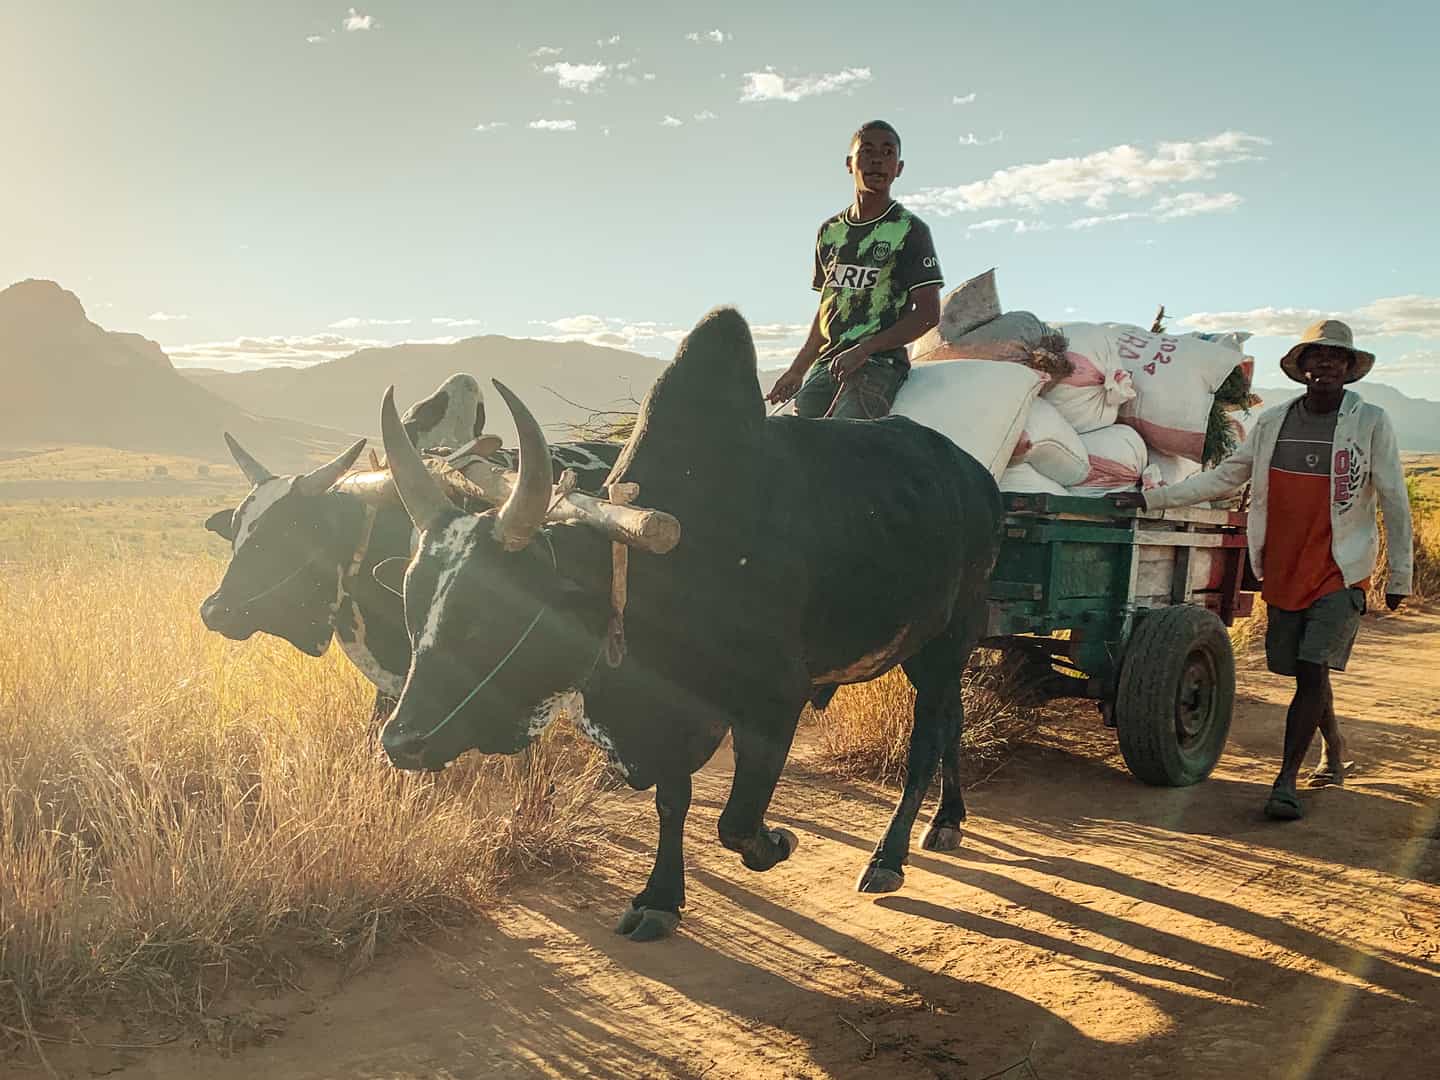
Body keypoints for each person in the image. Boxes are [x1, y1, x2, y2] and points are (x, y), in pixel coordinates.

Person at [1110, 320, 1413, 820]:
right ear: (1302, 366)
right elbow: (1225, 478)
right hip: (1283, 567)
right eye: (1317, 356)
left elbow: (1394, 498)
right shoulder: (1273, 422)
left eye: (1336, 357)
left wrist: (1399, 575)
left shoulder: (1370, 422)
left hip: (1341, 569)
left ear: (1349, 367)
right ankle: (1334, 746)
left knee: (1312, 667)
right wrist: (1153, 500)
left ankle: (1285, 780)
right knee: (1303, 668)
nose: (1326, 364)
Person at [766, 121, 943, 419]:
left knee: (843, 436)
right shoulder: (830, 232)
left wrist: (864, 350)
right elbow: (828, 309)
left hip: (879, 363)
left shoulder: (909, 230)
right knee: (792, 436)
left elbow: (928, 313)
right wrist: (797, 370)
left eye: (887, 153)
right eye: (867, 151)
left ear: (898, 168)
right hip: (829, 365)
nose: (877, 160)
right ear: (850, 163)